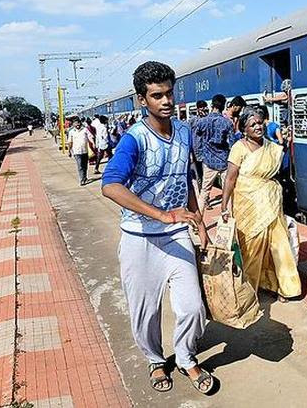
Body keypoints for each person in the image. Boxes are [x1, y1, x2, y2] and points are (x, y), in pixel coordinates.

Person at [101, 61, 213, 394]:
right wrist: (161, 215)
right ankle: (154, 359)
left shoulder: (184, 132)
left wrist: (200, 222)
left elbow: (186, 178)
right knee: (146, 310)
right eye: (156, 95)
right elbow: (110, 185)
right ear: (142, 100)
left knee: (192, 307)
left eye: (169, 93)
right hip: (139, 238)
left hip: (177, 235)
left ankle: (186, 357)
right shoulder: (134, 139)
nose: (166, 101)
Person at [220, 106, 301, 302]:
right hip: (247, 203)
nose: (258, 127)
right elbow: (230, 179)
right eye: (252, 124)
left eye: (259, 122)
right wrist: (224, 206)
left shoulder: (271, 147)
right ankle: (249, 287)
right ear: (244, 129)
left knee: (279, 244)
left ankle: (284, 287)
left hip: (271, 201)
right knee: (252, 247)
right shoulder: (239, 148)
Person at [194, 94, 234, 211]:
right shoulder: (227, 123)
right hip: (224, 161)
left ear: (212, 105)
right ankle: (230, 217)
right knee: (229, 191)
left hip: (208, 161)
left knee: (204, 192)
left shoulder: (202, 122)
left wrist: (199, 155)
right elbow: (232, 144)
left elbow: (197, 140)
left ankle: (198, 219)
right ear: (223, 106)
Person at [189, 100, 208, 188]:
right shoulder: (193, 120)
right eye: (201, 107)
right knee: (199, 171)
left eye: (204, 107)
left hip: (206, 148)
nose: (203, 109)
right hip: (196, 149)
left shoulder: (208, 119)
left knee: (207, 171)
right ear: (197, 109)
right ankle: (201, 188)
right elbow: (189, 133)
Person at [67, 118, 89, 186]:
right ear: (73, 124)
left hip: (85, 150)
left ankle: (85, 177)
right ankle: (82, 179)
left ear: (80, 123)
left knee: (85, 165)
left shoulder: (85, 130)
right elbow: (70, 142)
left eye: (78, 123)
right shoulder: (71, 132)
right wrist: (69, 151)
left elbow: (90, 137)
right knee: (80, 166)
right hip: (76, 151)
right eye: (76, 123)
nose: (77, 124)